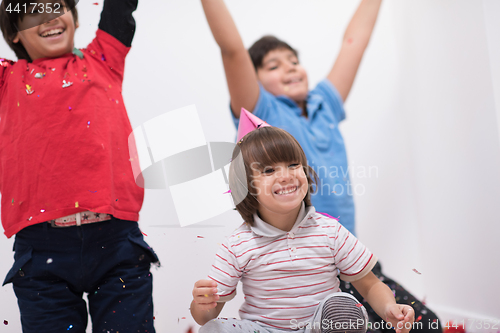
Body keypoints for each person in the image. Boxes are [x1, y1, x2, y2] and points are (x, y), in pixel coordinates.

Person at [200, 0, 441, 331]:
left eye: (294, 61)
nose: (290, 68)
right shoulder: (262, 111)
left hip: (341, 262)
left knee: (427, 324)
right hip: (297, 278)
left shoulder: (324, 103)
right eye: (273, 66)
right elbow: (232, 50)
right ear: (253, 80)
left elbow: (354, 42)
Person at [0, 1, 159, 332]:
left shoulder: (103, 58)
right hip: (41, 251)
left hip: (117, 245)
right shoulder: (6, 81)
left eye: (57, 5)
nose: (50, 17)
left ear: (73, 16)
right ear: (14, 33)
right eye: (32, 12)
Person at [190, 123, 415, 333]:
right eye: (269, 171)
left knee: (343, 307)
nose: (286, 176)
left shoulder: (330, 231)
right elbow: (204, 317)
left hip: (317, 328)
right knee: (215, 329)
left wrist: (389, 309)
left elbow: (369, 284)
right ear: (245, 187)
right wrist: (203, 303)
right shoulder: (237, 244)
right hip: (264, 329)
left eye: (293, 165)